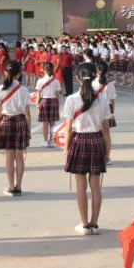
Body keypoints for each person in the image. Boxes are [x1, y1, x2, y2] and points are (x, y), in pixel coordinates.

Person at [61, 63, 111, 235]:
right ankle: (94, 224)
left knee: (80, 185)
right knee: (96, 185)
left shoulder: (71, 99)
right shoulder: (102, 100)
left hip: (79, 141)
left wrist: (66, 150)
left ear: (77, 78)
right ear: (95, 76)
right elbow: (106, 130)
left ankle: (84, 224)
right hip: (97, 140)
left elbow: (68, 129)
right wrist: (107, 153)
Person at [0, 60, 31, 196]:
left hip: (6, 121)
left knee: (9, 155)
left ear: (4, 72)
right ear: (19, 74)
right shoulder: (24, 90)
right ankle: (19, 186)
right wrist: (28, 131)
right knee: (19, 156)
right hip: (20, 121)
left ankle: (10, 186)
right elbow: (27, 113)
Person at [33, 61, 62, 148]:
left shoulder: (40, 81)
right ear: (52, 69)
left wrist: (37, 103)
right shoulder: (56, 81)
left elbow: (38, 94)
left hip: (44, 101)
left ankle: (45, 141)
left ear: (43, 70)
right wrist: (57, 104)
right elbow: (58, 95)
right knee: (53, 122)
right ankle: (52, 141)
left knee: (45, 123)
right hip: (53, 101)